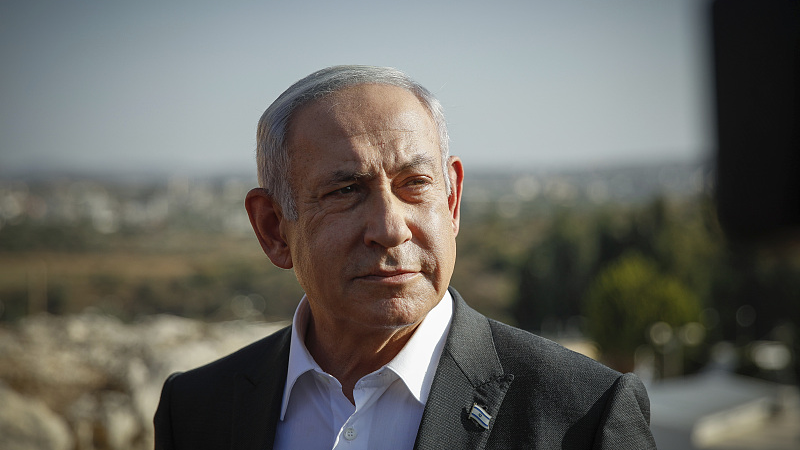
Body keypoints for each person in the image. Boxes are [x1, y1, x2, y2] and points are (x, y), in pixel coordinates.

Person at [154, 65, 657, 450]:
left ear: (453, 200)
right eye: (346, 190)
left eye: (415, 184)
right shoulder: (197, 411)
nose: (391, 228)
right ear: (273, 229)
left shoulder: (583, 415)